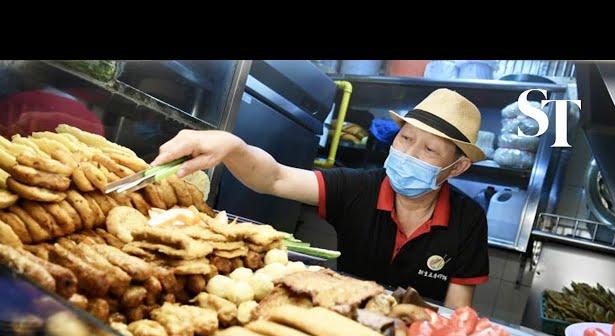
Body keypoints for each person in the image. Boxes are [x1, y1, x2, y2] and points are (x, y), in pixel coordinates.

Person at [152, 88, 489, 308]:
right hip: (343, 316)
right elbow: (275, 177)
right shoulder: (359, 188)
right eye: (405, 139)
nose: (409, 154)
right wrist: (233, 146)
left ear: (456, 166)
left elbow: (458, 314)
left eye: (429, 149)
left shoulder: (468, 219)